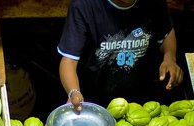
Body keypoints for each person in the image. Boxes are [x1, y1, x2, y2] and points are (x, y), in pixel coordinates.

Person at [57, 0, 185, 111]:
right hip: (96, 103)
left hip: (142, 103)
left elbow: (166, 33)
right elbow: (69, 60)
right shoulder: (84, 5)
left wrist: (170, 58)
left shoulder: (153, 3)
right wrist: (73, 91)